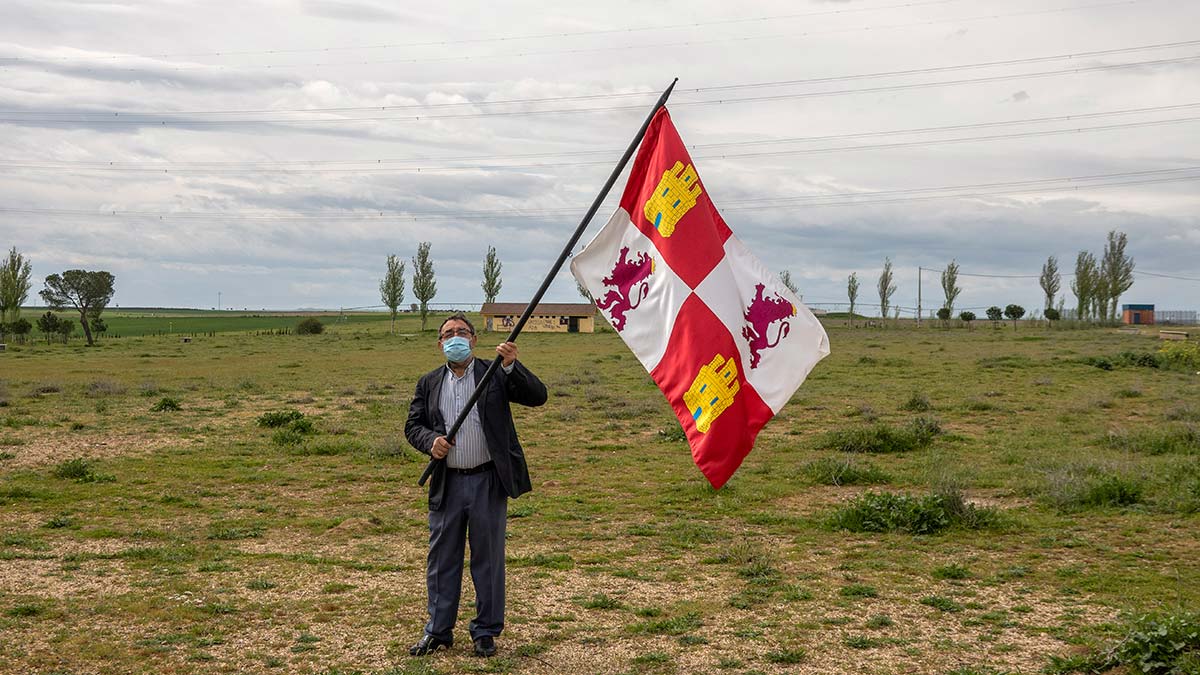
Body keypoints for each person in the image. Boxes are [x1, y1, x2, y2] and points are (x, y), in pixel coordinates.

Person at [404, 312, 547, 658]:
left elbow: (537, 396)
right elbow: (413, 426)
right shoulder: (429, 382)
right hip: (447, 483)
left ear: (474, 339)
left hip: (487, 480)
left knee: (488, 558)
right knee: (442, 558)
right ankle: (438, 631)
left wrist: (513, 365)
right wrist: (430, 441)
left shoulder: (494, 373)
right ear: (440, 344)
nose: (455, 338)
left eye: (462, 332)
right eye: (448, 334)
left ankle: (485, 631)